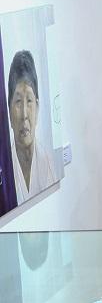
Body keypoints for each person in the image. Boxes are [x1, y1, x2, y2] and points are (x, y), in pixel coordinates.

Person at [8, 50, 57, 204]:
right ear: (9, 112)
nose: (24, 115)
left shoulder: (47, 164)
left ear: (37, 107)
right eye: (18, 101)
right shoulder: (5, 171)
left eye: (29, 100)